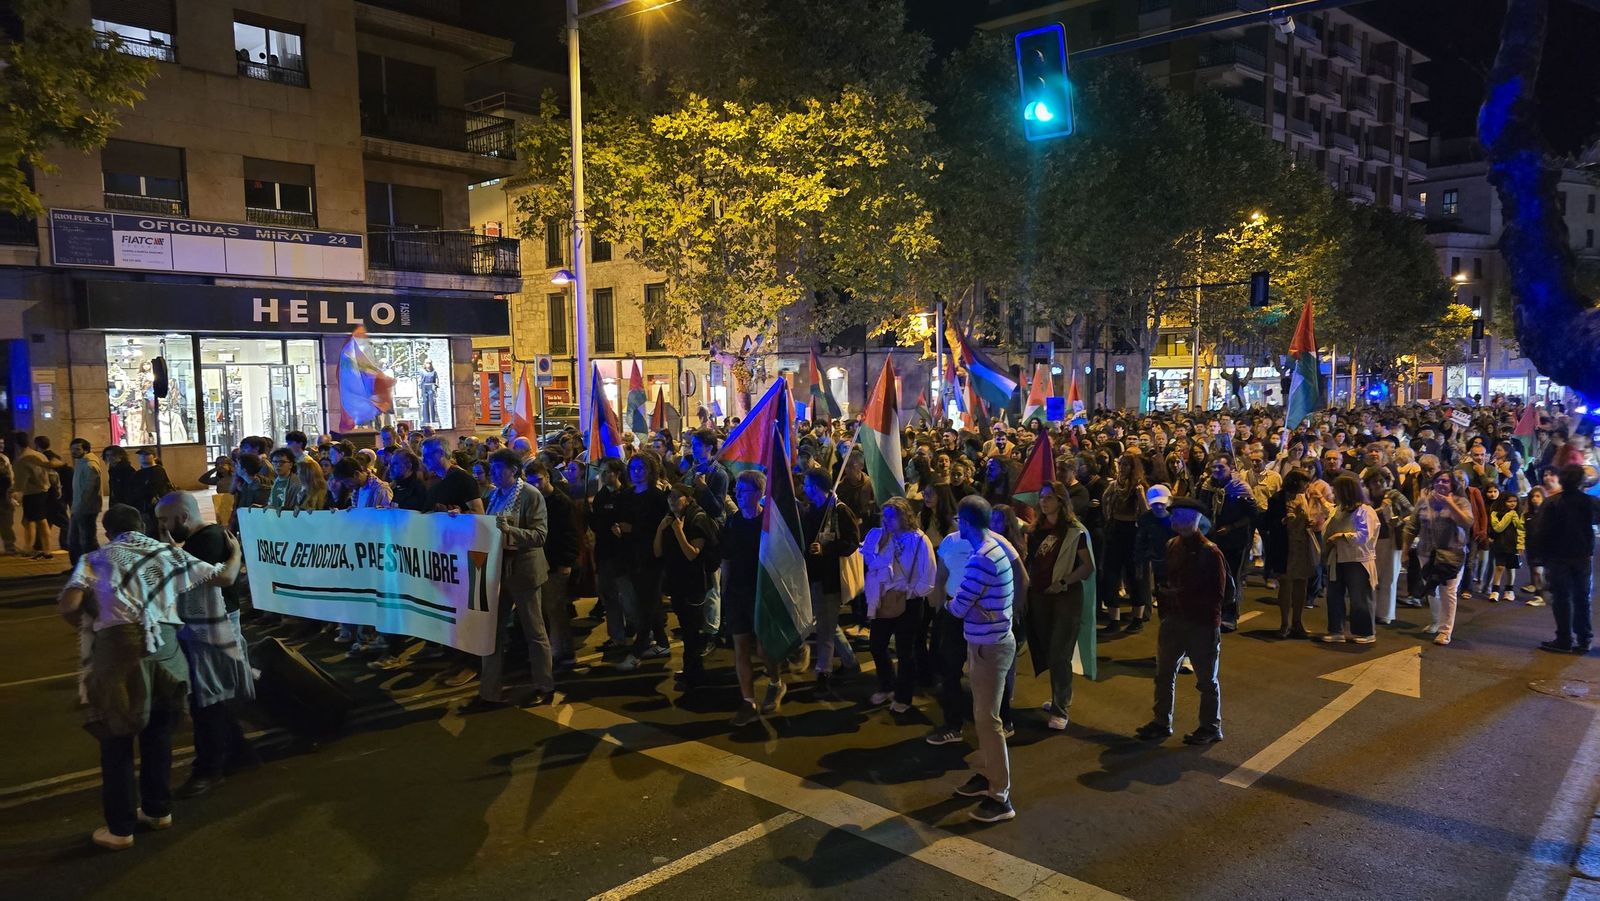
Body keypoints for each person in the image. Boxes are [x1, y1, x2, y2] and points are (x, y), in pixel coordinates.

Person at [57, 504, 243, 850]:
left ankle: (120, 828)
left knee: (117, 740)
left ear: (108, 532)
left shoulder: (94, 559)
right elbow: (226, 577)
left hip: (120, 655)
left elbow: (69, 606)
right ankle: (158, 810)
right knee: (158, 733)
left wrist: (94, 626)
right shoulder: (168, 553)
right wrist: (235, 552)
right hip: (167, 651)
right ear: (141, 526)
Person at [154, 492, 256, 798]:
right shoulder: (202, 540)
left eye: (165, 520)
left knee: (206, 699)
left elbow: (218, 579)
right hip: (205, 629)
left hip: (211, 631)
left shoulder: (208, 539)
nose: (162, 527)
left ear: (183, 517)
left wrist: (235, 557)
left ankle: (209, 769)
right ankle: (239, 753)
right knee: (212, 698)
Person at [946, 495, 1021, 823]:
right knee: (982, 717)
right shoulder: (997, 545)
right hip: (990, 641)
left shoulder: (981, 558)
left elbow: (959, 605)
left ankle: (1000, 795)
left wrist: (951, 603)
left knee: (989, 721)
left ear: (965, 522)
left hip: (988, 647)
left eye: (957, 520)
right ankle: (986, 772)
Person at [466, 449, 554, 709]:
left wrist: (509, 531)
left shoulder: (530, 495)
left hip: (524, 572)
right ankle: (489, 690)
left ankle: (544, 685)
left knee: (534, 632)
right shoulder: (493, 495)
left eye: (497, 468)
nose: (492, 473)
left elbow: (539, 535)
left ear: (513, 470)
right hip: (497, 571)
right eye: (491, 468)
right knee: (491, 632)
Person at [1138, 498, 1226, 746]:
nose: (1173, 519)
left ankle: (1210, 726)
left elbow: (1218, 594)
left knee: (1206, 680)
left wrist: (1181, 596)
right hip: (1175, 620)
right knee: (1164, 674)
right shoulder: (1172, 545)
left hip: (1200, 623)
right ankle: (1161, 722)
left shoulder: (1210, 551)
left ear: (1193, 519)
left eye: (1178, 515)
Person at [1025, 482, 1095, 732]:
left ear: (1062, 501)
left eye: (1050, 498)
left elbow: (1087, 567)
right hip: (1039, 595)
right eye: (1042, 497)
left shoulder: (1075, 531)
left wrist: (1064, 581)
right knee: (1046, 647)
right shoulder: (1035, 530)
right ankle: (1058, 696)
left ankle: (1060, 707)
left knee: (1060, 652)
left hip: (1065, 596)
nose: (1044, 502)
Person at [723, 471, 787, 725]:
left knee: (763, 648)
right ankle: (748, 701)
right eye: (736, 490)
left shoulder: (770, 523)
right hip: (737, 593)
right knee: (740, 648)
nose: (737, 495)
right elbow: (726, 559)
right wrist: (725, 590)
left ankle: (776, 681)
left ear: (760, 493)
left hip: (762, 593)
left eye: (743, 491)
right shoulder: (732, 522)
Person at [860, 497, 934, 713]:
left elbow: (928, 575)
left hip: (909, 603)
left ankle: (904, 696)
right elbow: (869, 560)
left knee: (905, 651)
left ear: (905, 516)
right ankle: (887, 685)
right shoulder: (881, 535)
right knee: (877, 645)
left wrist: (907, 592)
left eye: (893, 516)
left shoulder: (919, 540)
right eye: (885, 516)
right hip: (884, 599)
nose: (888, 520)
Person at [1528, 465, 1600, 654]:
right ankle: (1584, 639)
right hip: (1581, 556)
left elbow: (1539, 531)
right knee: (1582, 598)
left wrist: (1537, 558)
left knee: (1562, 598)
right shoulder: (1589, 501)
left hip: (1557, 556)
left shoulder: (1552, 503)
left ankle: (1564, 638)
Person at [801, 468, 861, 691]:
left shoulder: (839, 511)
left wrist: (826, 549)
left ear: (816, 487)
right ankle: (849, 660)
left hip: (831, 578)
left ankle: (823, 670)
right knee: (827, 621)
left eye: (806, 484)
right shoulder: (812, 510)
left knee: (825, 627)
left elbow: (852, 543)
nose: (804, 488)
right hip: (814, 575)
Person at [655, 483, 719, 690]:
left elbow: (692, 554)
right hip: (676, 581)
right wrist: (661, 529)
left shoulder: (697, 518)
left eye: (677, 497)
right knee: (686, 628)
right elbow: (657, 552)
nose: (672, 500)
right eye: (670, 497)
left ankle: (695, 674)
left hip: (694, 583)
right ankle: (691, 669)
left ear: (688, 499)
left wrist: (679, 532)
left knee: (692, 630)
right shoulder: (670, 518)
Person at [617, 453, 672, 671]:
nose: (637, 472)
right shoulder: (628, 495)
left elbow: (661, 528)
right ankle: (662, 642)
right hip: (632, 556)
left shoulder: (657, 497)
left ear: (650, 471)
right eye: (633, 468)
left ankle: (638, 649)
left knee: (647, 603)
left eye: (641, 468)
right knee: (648, 601)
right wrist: (619, 528)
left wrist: (634, 529)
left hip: (651, 558)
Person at [526, 459, 579, 670]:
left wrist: (566, 562)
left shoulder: (560, 502)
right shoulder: (535, 500)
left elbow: (570, 534)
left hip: (556, 562)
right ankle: (558, 650)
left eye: (538, 480)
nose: (536, 485)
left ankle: (562, 653)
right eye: (531, 482)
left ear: (547, 477)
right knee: (548, 610)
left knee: (555, 609)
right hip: (542, 561)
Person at [1410, 470, 1473, 646]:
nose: (1441, 484)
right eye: (1438, 481)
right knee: (1431, 588)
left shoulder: (1462, 502)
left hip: (1452, 554)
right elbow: (1412, 525)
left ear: (1453, 485)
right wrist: (1405, 550)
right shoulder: (1424, 502)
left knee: (1448, 591)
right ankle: (1436, 621)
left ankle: (1445, 631)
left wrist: (1450, 504)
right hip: (1426, 552)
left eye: (1445, 481)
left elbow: (1467, 522)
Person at [1320, 474, 1379, 645]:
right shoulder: (1340, 509)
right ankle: (1336, 630)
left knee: (1359, 597)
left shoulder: (1365, 511)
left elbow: (1364, 536)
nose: (1334, 494)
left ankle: (1366, 631)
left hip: (1357, 560)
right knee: (1334, 595)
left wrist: (1341, 536)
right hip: (1337, 558)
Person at [1364, 468, 1412, 626]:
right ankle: (1372, 610)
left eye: (1381, 481)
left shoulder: (1394, 495)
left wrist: (1398, 520)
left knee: (1389, 577)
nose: (1378, 484)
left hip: (1391, 539)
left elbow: (1412, 513)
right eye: (1374, 481)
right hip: (1371, 541)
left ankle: (1386, 614)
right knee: (1372, 577)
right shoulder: (1366, 497)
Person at [14, 432, 53, 557]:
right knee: (30, 520)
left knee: (38, 521)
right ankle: (33, 548)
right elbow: (50, 473)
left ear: (16, 444)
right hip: (43, 491)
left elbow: (21, 481)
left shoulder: (22, 459)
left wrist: (15, 493)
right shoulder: (40, 455)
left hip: (32, 493)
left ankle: (44, 550)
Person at [67, 439, 104, 563]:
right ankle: (81, 565)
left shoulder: (89, 465)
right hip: (80, 507)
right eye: (72, 449)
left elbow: (90, 489)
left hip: (85, 508)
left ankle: (92, 564)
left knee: (85, 539)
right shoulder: (82, 463)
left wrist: (81, 506)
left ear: (86, 450)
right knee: (78, 538)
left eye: (77, 449)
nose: (74, 452)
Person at [1486, 488, 1524, 603]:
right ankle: (1495, 590)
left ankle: (1509, 590)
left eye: (1514, 501)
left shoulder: (1519, 513)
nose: (1512, 503)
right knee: (1499, 567)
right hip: (1500, 543)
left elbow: (1521, 528)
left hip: (1514, 544)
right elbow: (1498, 528)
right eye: (1509, 501)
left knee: (1511, 567)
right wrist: (1509, 516)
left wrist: (1521, 544)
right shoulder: (1495, 513)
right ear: (1503, 502)